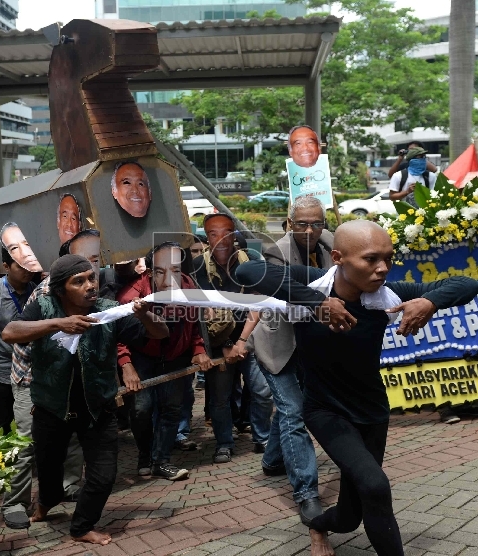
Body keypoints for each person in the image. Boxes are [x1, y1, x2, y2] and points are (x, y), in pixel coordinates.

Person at [235, 220, 478, 556]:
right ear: (338, 257)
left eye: (388, 258)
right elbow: (249, 270)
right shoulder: (312, 283)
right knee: (376, 485)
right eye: (370, 259)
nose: (382, 268)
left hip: (373, 412)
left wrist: (430, 302)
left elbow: (468, 284)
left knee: (351, 517)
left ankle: (318, 526)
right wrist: (317, 303)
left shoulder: (388, 295)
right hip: (325, 410)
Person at [2, 255, 169, 545]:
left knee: (104, 475)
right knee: (49, 472)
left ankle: (81, 526)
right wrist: (58, 324)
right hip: (51, 409)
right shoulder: (43, 306)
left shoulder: (110, 311)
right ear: (61, 289)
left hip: (98, 409)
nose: (90, 286)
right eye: (78, 282)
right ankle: (45, 503)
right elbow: (10, 332)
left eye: (91, 278)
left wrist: (143, 314)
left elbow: (160, 333)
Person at [250, 196, 333, 525]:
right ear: (289, 224)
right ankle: (306, 493)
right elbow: (294, 294)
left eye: (316, 223)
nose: (310, 230)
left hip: (310, 341)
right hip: (276, 342)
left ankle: (272, 461)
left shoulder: (331, 242)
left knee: (288, 411)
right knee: (294, 412)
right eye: (302, 224)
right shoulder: (276, 253)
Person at [117, 242, 212, 480]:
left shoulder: (189, 287)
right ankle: (144, 455)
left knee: (171, 409)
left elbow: (194, 324)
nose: (170, 277)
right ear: (149, 273)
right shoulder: (131, 295)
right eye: (161, 271)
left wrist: (198, 348)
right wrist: (126, 365)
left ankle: (162, 460)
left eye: (176, 270)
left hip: (176, 357)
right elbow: (118, 335)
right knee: (141, 409)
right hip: (142, 358)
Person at [193, 213, 273, 463]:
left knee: (262, 391)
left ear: (234, 234)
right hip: (218, 344)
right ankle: (224, 443)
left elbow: (257, 305)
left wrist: (241, 342)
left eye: (227, 232)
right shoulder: (197, 267)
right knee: (219, 399)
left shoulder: (251, 262)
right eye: (214, 234)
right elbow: (198, 313)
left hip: (250, 340)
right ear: (207, 238)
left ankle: (263, 438)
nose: (221, 239)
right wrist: (226, 345)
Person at [0, 247, 37, 438]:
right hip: (1, 371)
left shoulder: (37, 291)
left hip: (31, 370)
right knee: (3, 424)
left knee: (32, 423)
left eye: (29, 265)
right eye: (21, 266)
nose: (27, 270)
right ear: (6, 266)